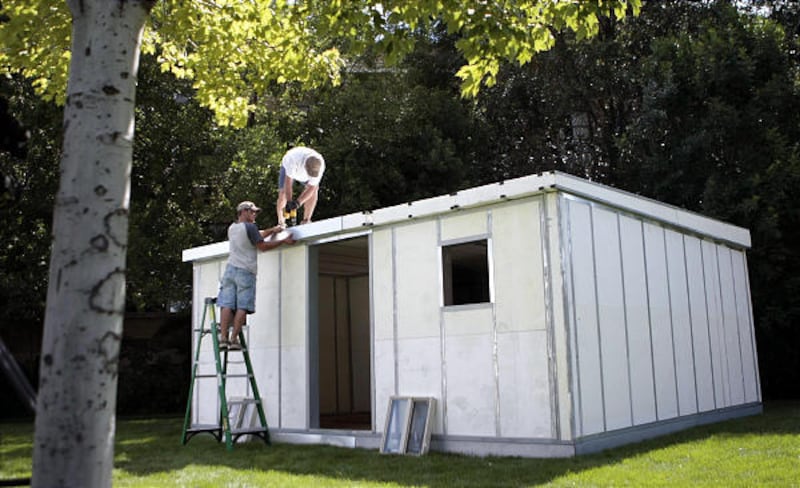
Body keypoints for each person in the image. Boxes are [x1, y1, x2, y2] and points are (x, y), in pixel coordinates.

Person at [217, 201, 295, 350]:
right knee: (242, 307)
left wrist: (273, 230)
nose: (255, 215)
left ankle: (223, 339)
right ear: (244, 212)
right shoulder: (250, 227)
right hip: (245, 271)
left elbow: (256, 236)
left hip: (230, 270)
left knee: (226, 304)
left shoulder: (232, 228)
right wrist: (283, 241)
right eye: (252, 212)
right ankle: (234, 341)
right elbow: (262, 246)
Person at [276, 146, 326, 227]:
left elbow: (311, 188)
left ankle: (306, 220)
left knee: (315, 191)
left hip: (304, 176)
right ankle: (281, 223)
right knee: (282, 194)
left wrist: (298, 203)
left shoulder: (320, 164)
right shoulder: (292, 160)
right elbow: (288, 184)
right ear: (305, 166)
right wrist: (289, 202)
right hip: (288, 169)